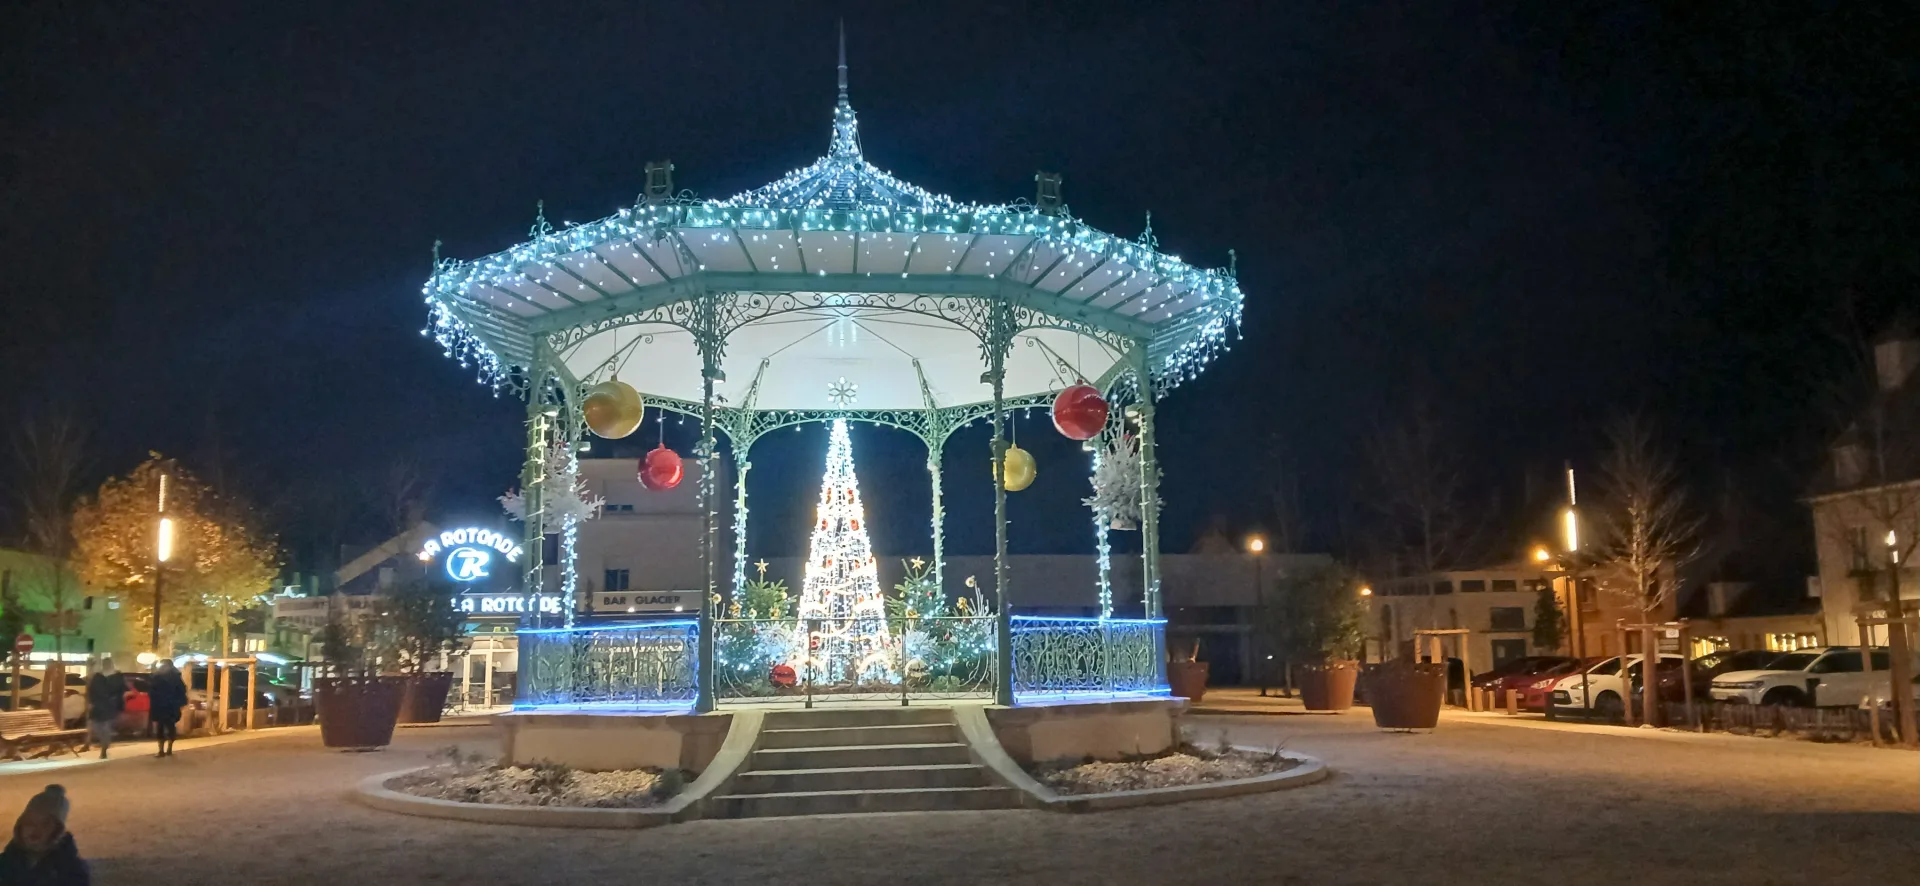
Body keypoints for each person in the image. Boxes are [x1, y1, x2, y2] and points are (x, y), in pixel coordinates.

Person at [0, 784, 90, 885]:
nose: (35, 829)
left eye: (45, 824)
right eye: (30, 822)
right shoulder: (6, 862)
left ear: (57, 830)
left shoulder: (71, 869)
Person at [83, 658, 125, 760]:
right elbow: (91, 690)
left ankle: (104, 750)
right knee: (97, 728)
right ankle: (104, 744)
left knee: (105, 728)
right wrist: (91, 702)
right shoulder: (98, 676)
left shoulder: (117, 677)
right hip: (98, 707)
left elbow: (120, 692)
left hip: (109, 707)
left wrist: (118, 704)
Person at [147, 659, 188, 757]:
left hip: (164, 706)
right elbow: (182, 690)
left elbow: (152, 690)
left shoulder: (160, 677)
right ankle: (166, 749)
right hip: (169, 706)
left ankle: (164, 749)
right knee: (168, 727)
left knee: (164, 727)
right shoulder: (174, 677)